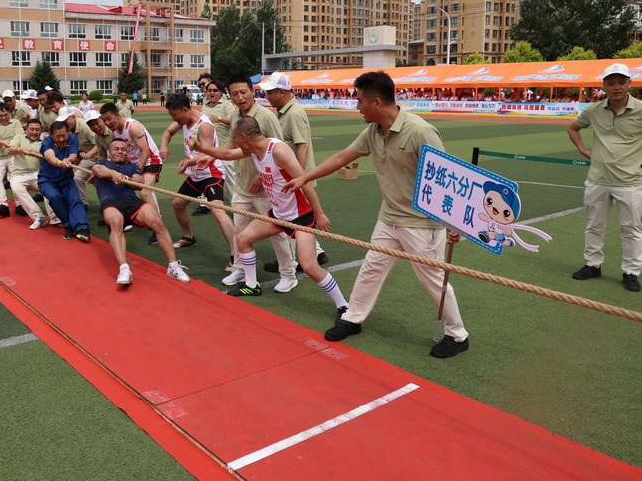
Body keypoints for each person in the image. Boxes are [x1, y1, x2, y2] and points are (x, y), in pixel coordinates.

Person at [282, 70, 470, 358]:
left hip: (422, 223)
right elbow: (342, 157)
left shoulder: (420, 131)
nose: (356, 107)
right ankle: (353, 318)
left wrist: (453, 222)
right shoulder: (373, 131)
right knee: (371, 269)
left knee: (432, 279)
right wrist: (304, 178)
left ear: (378, 102)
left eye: (359, 101)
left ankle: (458, 335)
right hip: (389, 217)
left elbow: (445, 178)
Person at [195, 118, 347, 319]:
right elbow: (228, 154)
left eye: (234, 138)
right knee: (243, 239)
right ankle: (251, 285)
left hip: (300, 216)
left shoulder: (278, 150)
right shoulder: (253, 150)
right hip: (277, 214)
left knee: (310, 266)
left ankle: (344, 306)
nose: (233, 142)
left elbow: (305, 182)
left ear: (243, 137)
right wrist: (203, 150)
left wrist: (319, 213)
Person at [205, 74, 298, 286]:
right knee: (239, 229)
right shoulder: (236, 116)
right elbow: (230, 144)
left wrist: (260, 175)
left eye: (243, 92)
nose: (239, 97)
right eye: (234, 94)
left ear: (252, 92)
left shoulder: (266, 116)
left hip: (266, 188)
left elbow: (279, 148)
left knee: (277, 233)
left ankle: (288, 274)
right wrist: (208, 156)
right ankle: (239, 268)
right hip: (242, 184)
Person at [567, 63, 642, 292]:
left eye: (621, 82)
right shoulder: (594, 110)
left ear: (629, 84)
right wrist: (584, 151)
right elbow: (573, 128)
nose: (616, 87)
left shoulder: (640, 109)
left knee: (631, 229)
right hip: (598, 179)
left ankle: (631, 271)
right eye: (611, 83)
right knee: (594, 225)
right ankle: (592, 265)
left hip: (630, 181)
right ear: (604, 86)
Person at [92, 139, 191, 285]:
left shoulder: (133, 167)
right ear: (109, 151)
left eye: (123, 149)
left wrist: (125, 179)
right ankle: (124, 269)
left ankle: (173, 267)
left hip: (132, 202)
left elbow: (139, 183)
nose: (120, 152)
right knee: (116, 221)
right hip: (110, 203)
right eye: (116, 149)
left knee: (157, 221)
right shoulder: (102, 164)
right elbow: (98, 171)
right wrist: (113, 173)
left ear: (127, 152)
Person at [259, 72, 329, 272]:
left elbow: (303, 147)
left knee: (294, 220)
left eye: (270, 93)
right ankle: (314, 254)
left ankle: (293, 261)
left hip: (296, 179)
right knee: (294, 220)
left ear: (282, 92)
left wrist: (299, 179)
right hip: (292, 178)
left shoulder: (294, 113)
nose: (268, 97)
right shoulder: (284, 112)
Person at [160, 93, 235, 258]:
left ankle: (235, 254)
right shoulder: (184, 119)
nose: (174, 119)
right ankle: (188, 237)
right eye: (171, 115)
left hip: (211, 173)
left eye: (175, 115)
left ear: (185, 110)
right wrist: (164, 146)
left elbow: (207, 155)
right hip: (196, 175)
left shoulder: (203, 126)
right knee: (177, 204)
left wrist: (188, 162)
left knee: (217, 210)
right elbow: (167, 133)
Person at [99, 102, 163, 245]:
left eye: (109, 119)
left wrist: (137, 173)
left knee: (144, 192)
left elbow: (145, 151)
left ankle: (157, 225)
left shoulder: (133, 127)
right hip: (134, 164)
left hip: (151, 162)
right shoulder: (116, 129)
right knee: (132, 190)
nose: (107, 123)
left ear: (117, 115)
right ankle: (130, 217)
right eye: (104, 120)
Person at [37, 120, 91, 242]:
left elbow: (73, 155)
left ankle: (82, 228)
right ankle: (68, 226)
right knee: (55, 197)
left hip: (66, 178)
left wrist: (69, 159)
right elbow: (50, 158)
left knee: (75, 200)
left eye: (64, 135)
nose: (61, 139)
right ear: (51, 135)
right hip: (47, 179)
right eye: (58, 136)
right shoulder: (46, 142)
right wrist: (60, 162)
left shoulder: (72, 139)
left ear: (68, 133)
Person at [199, 78, 236, 211]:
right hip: (208, 148)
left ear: (221, 92)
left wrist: (219, 119)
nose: (212, 92)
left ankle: (234, 206)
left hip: (224, 147)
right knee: (205, 174)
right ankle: (206, 203)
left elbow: (234, 119)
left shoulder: (226, 104)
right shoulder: (205, 104)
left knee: (230, 177)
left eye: (215, 90)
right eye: (209, 90)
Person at [7, 119, 48, 229]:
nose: (34, 132)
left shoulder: (44, 142)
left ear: (41, 130)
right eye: (32, 129)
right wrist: (21, 150)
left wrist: (38, 154)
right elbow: (11, 149)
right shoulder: (19, 137)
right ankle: (38, 216)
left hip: (37, 174)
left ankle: (55, 217)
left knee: (49, 188)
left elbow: (49, 157)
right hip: (19, 175)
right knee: (16, 188)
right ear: (26, 130)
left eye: (37, 130)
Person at [54, 106, 99, 208]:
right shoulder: (69, 129)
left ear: (73, 117)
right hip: (89, 158)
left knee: (100, 182)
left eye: (66, 120)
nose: (64, 123)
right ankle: (83, 203)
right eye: (62, 121)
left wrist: (87, 155)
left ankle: (108, 204)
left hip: (101, 157)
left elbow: (99, 144)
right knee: (77, 178)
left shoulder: (85, 126)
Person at [0, 102, 24, 217]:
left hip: (13, 156)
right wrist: (4, 142)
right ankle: (3, 205)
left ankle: (20, 204)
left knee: (15, 180)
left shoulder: (16, 122)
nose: (4, 118)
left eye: (6, 114)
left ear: (10, 113)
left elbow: (20, 137)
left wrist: (12, 144)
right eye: (0, 115)